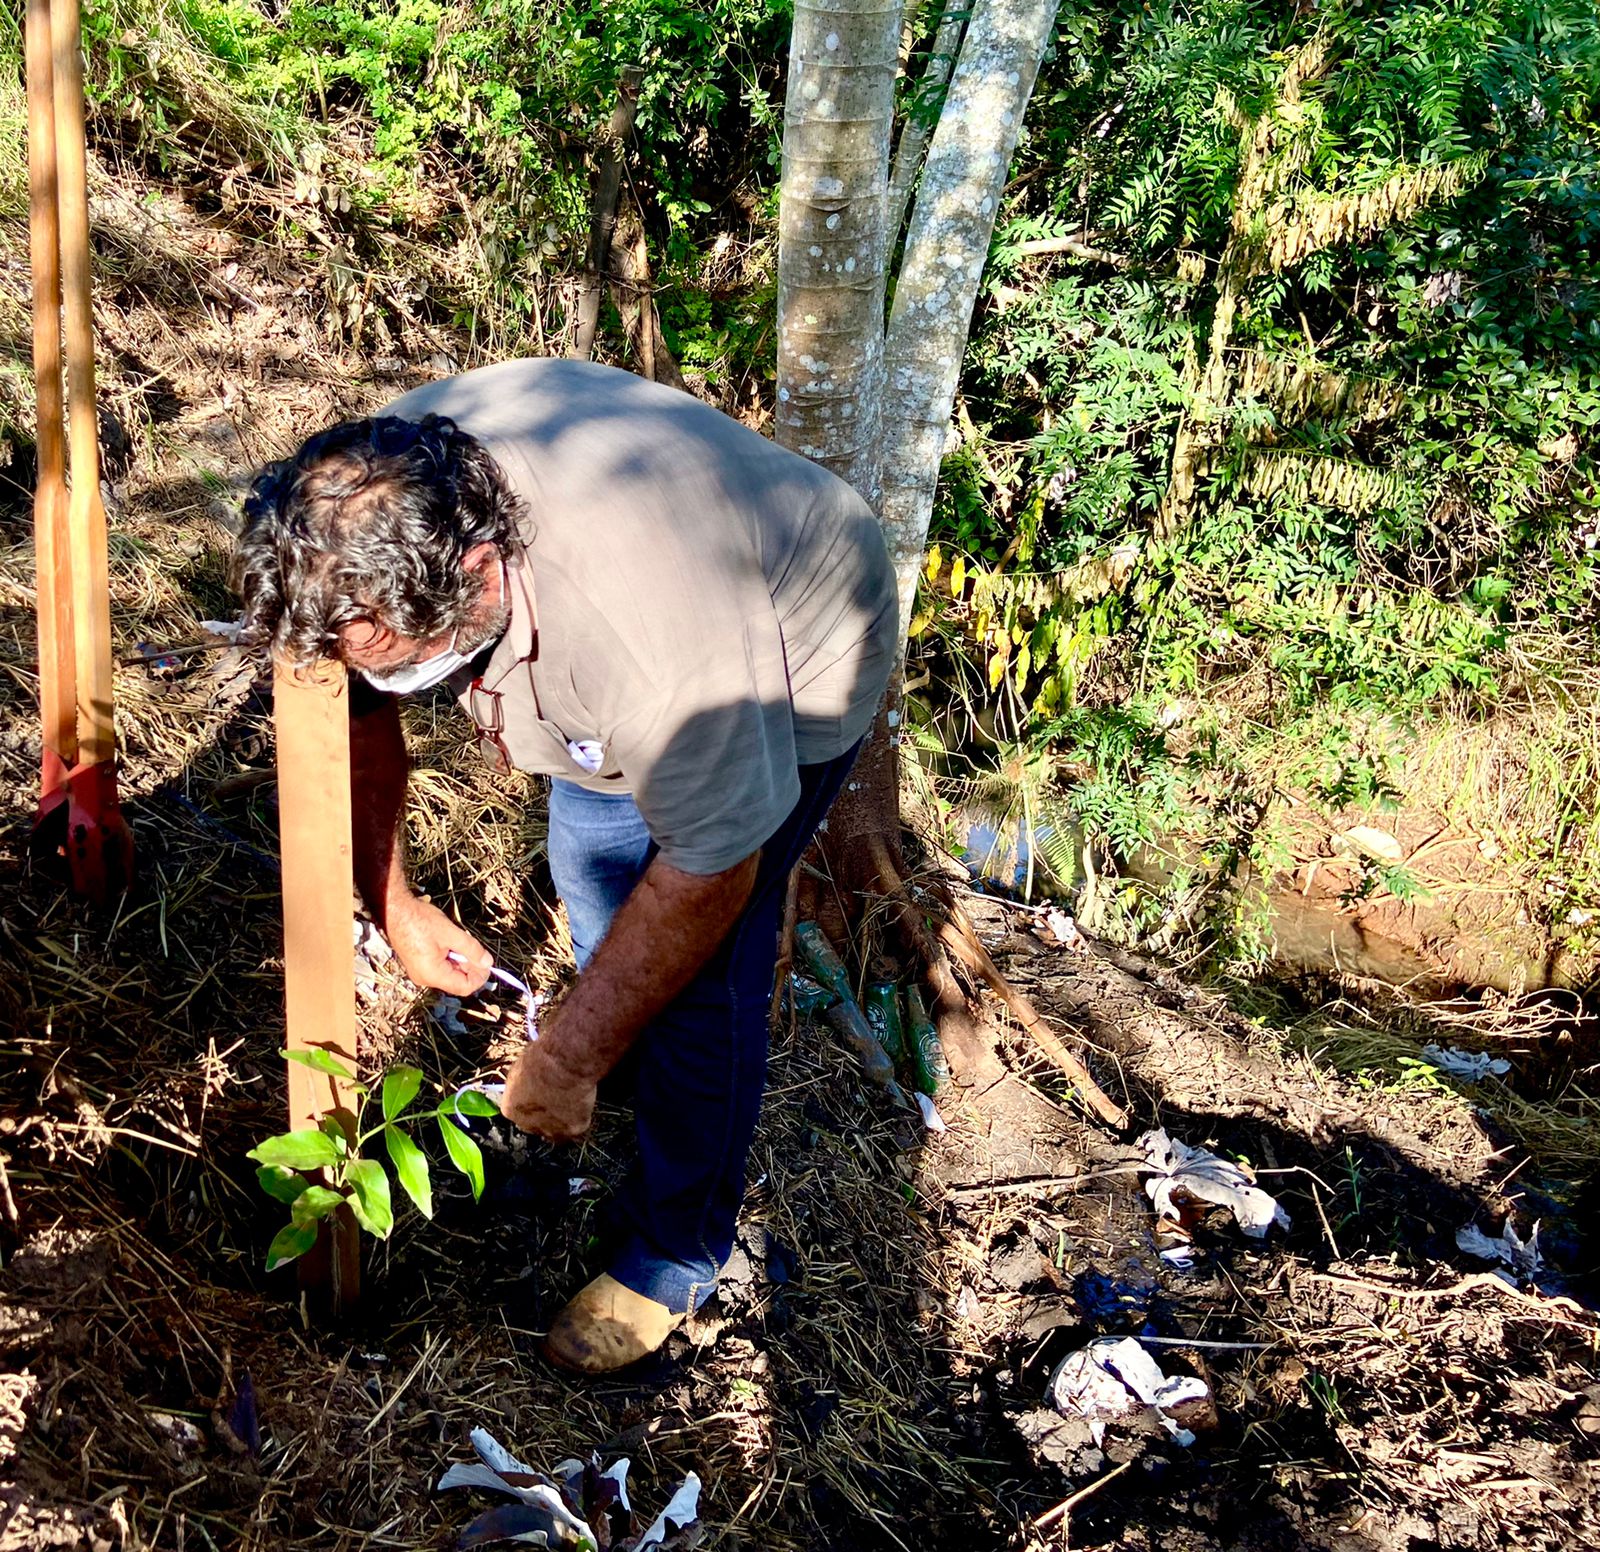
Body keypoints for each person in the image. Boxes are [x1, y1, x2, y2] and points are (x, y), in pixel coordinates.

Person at [234, 358, 898, 1372]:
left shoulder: (660, 652)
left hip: (798, 643)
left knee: (699, 979)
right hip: (610, 670)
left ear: (481, 570)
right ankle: (616, 1047)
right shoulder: (356, 513)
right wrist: (395, 902)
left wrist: (562, 1058)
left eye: (409, 658)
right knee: (593, 863)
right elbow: (353, 711)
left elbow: (708, 873)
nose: (395, 680)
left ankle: (671, 1248)